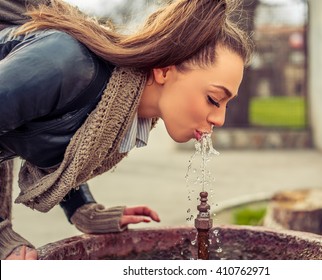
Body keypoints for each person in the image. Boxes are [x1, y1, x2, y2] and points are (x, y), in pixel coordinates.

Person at [0, 0, 252, 260]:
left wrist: (83, 209)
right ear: (164, 70)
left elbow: (67, 148)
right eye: (213, 99)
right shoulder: (65, 63)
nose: (220, 119)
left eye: (226, 103)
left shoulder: (117, 111)